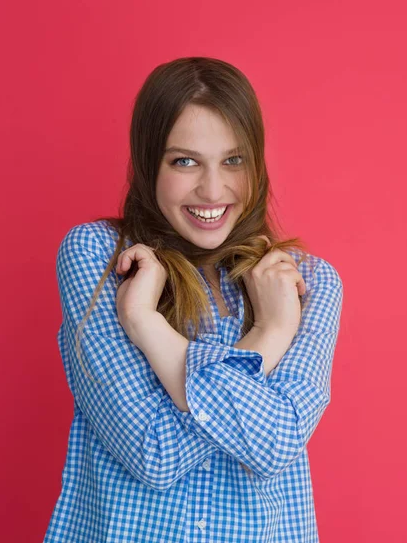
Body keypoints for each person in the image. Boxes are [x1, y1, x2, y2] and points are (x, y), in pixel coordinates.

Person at [43, 56, 343, 543]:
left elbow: (278, 442)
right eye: (184, 161)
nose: (212, 189)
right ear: (148, 163)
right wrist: (270, 334)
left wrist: (146, 327)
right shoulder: (98, 257)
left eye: (233, 160)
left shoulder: (307, 283)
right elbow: (152, 454)